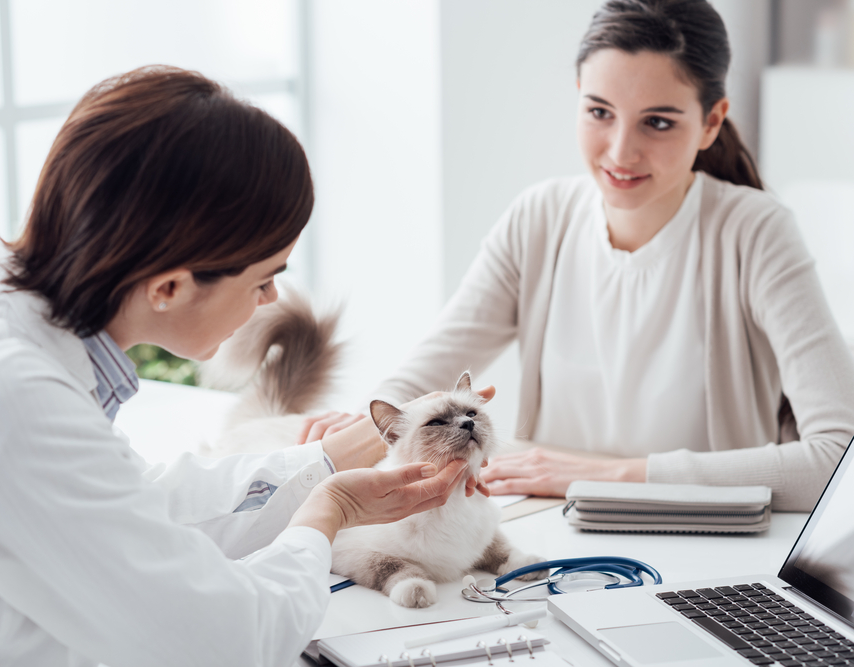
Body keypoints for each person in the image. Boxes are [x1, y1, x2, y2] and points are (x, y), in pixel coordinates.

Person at [0, 67, 482, 666]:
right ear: (171, 287)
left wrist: (323, 464)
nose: (271, 302)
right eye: (264, 280)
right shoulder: (9, 398)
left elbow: (134, 507)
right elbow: (227, 641)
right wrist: (327, 512)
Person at [299, 0, 854, 512]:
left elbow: (837, 460)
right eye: (599, 112)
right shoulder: (539, 217)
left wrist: (601, 476)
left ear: (711, 122)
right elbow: (425, 375)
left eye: (658, 122)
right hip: (549, 531)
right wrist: (351, 433)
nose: (620, 151)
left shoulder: (757, 232)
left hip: (709, 552)